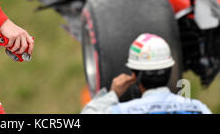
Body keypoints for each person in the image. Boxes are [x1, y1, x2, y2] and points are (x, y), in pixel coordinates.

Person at [81, 33, 212, 114]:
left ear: (134, 75)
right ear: (170, 70)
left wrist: (113, 94)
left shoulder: (121, 111)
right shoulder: (198, 108)